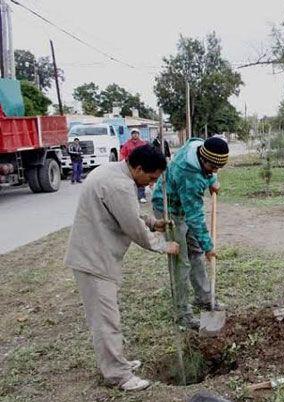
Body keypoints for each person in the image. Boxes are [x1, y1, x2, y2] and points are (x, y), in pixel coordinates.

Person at [64, 145, 180, 392]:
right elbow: (132, 226)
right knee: (106, 320)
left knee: (107, 316)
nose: (151, 184)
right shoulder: (120, 185)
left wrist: (152, 222)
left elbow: (128, 213)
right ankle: (118, 375)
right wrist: (163, 245)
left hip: (94, 254)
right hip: (93, 259)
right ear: (138, 168)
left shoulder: (113, 172)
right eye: (151, 178)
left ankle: (118, 362)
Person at [151, 137, 229, 329]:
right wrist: (209, 246)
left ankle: (204, 297)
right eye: (212, 169)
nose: (215, 172)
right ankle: (182, 313)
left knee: (196, 253)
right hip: (169, 209)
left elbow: (208, 165)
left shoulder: (199, 146)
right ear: (203, 160)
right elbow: (194, 216)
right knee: (181, 262)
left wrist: (212, 179)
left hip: (184, 205)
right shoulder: (190, 174)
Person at [120, 129, 148, 203]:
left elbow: (147, 153)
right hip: (130, 165)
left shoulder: (143, 143)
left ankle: (141, 196)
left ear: (139, 134)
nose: (135, 135)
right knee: (130, 180)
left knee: (141, 180)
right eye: (133, 133)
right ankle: (131, 197)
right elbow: (122, 153)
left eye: (136, 133)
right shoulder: (127, 144)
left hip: (140, 165)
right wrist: (122, 160)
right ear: (131, 135)